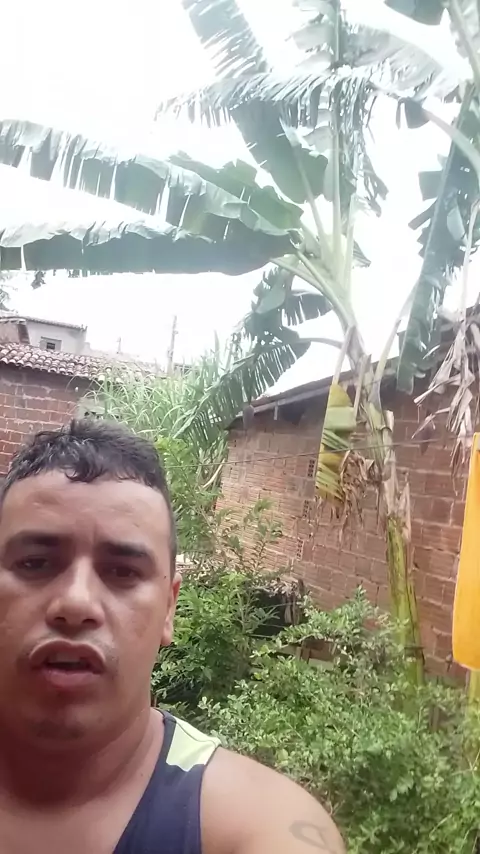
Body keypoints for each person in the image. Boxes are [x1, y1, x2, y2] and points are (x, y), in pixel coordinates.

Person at [0, 419, 345, 854]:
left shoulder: (254, 825)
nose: (76, 602)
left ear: (168, 608)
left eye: (122, 571)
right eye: (35, 563)